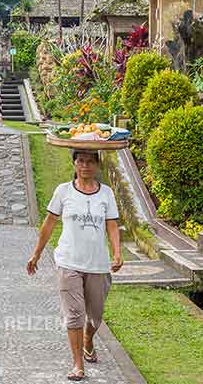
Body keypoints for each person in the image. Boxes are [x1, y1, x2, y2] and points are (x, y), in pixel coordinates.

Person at [27, 149, 123, 381]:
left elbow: (112, 225)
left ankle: (89, 339)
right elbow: (49, 224)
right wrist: (36, 255)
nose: (85, 166)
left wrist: (117, 253)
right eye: (81, 161)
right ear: (74, 164)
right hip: (68, 261)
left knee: (95, 317)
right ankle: (78, 365)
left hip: (98, 264)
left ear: (97, 165)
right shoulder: (63, 191)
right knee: (74, 315)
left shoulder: (106, 194)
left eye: (90, 162)